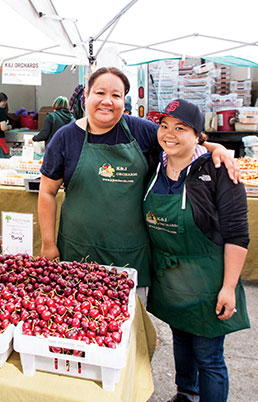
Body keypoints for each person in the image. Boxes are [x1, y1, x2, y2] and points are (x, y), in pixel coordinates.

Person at [37, 67, 240, 306]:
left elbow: (179, 141)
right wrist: (48, 244)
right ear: (86, 97)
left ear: (124, 101)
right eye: (100, 92)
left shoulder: (140, 130)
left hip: (130, 254)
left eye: (116, 95)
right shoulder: (65, 137)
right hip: (77, 250)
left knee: (128, 330)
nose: (107, 101)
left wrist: (218, 149)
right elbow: (47, 192)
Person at [143, 99, 250, 402]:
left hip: (208, 281)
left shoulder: (217, 172)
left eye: (180, 128)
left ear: (198, 135)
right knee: (181, 342)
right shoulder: (156, 164)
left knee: (209, 357)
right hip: (172, 280)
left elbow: (238, 236)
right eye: (164, 126)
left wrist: (228, 287)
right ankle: (185, 394)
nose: (169, 134)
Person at [0, 92, 12, 158]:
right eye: (3, 101)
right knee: (4, 161)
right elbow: (3, 127)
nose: (4, 103)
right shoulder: (1, 110)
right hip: (0, 141)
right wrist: (9, 127)